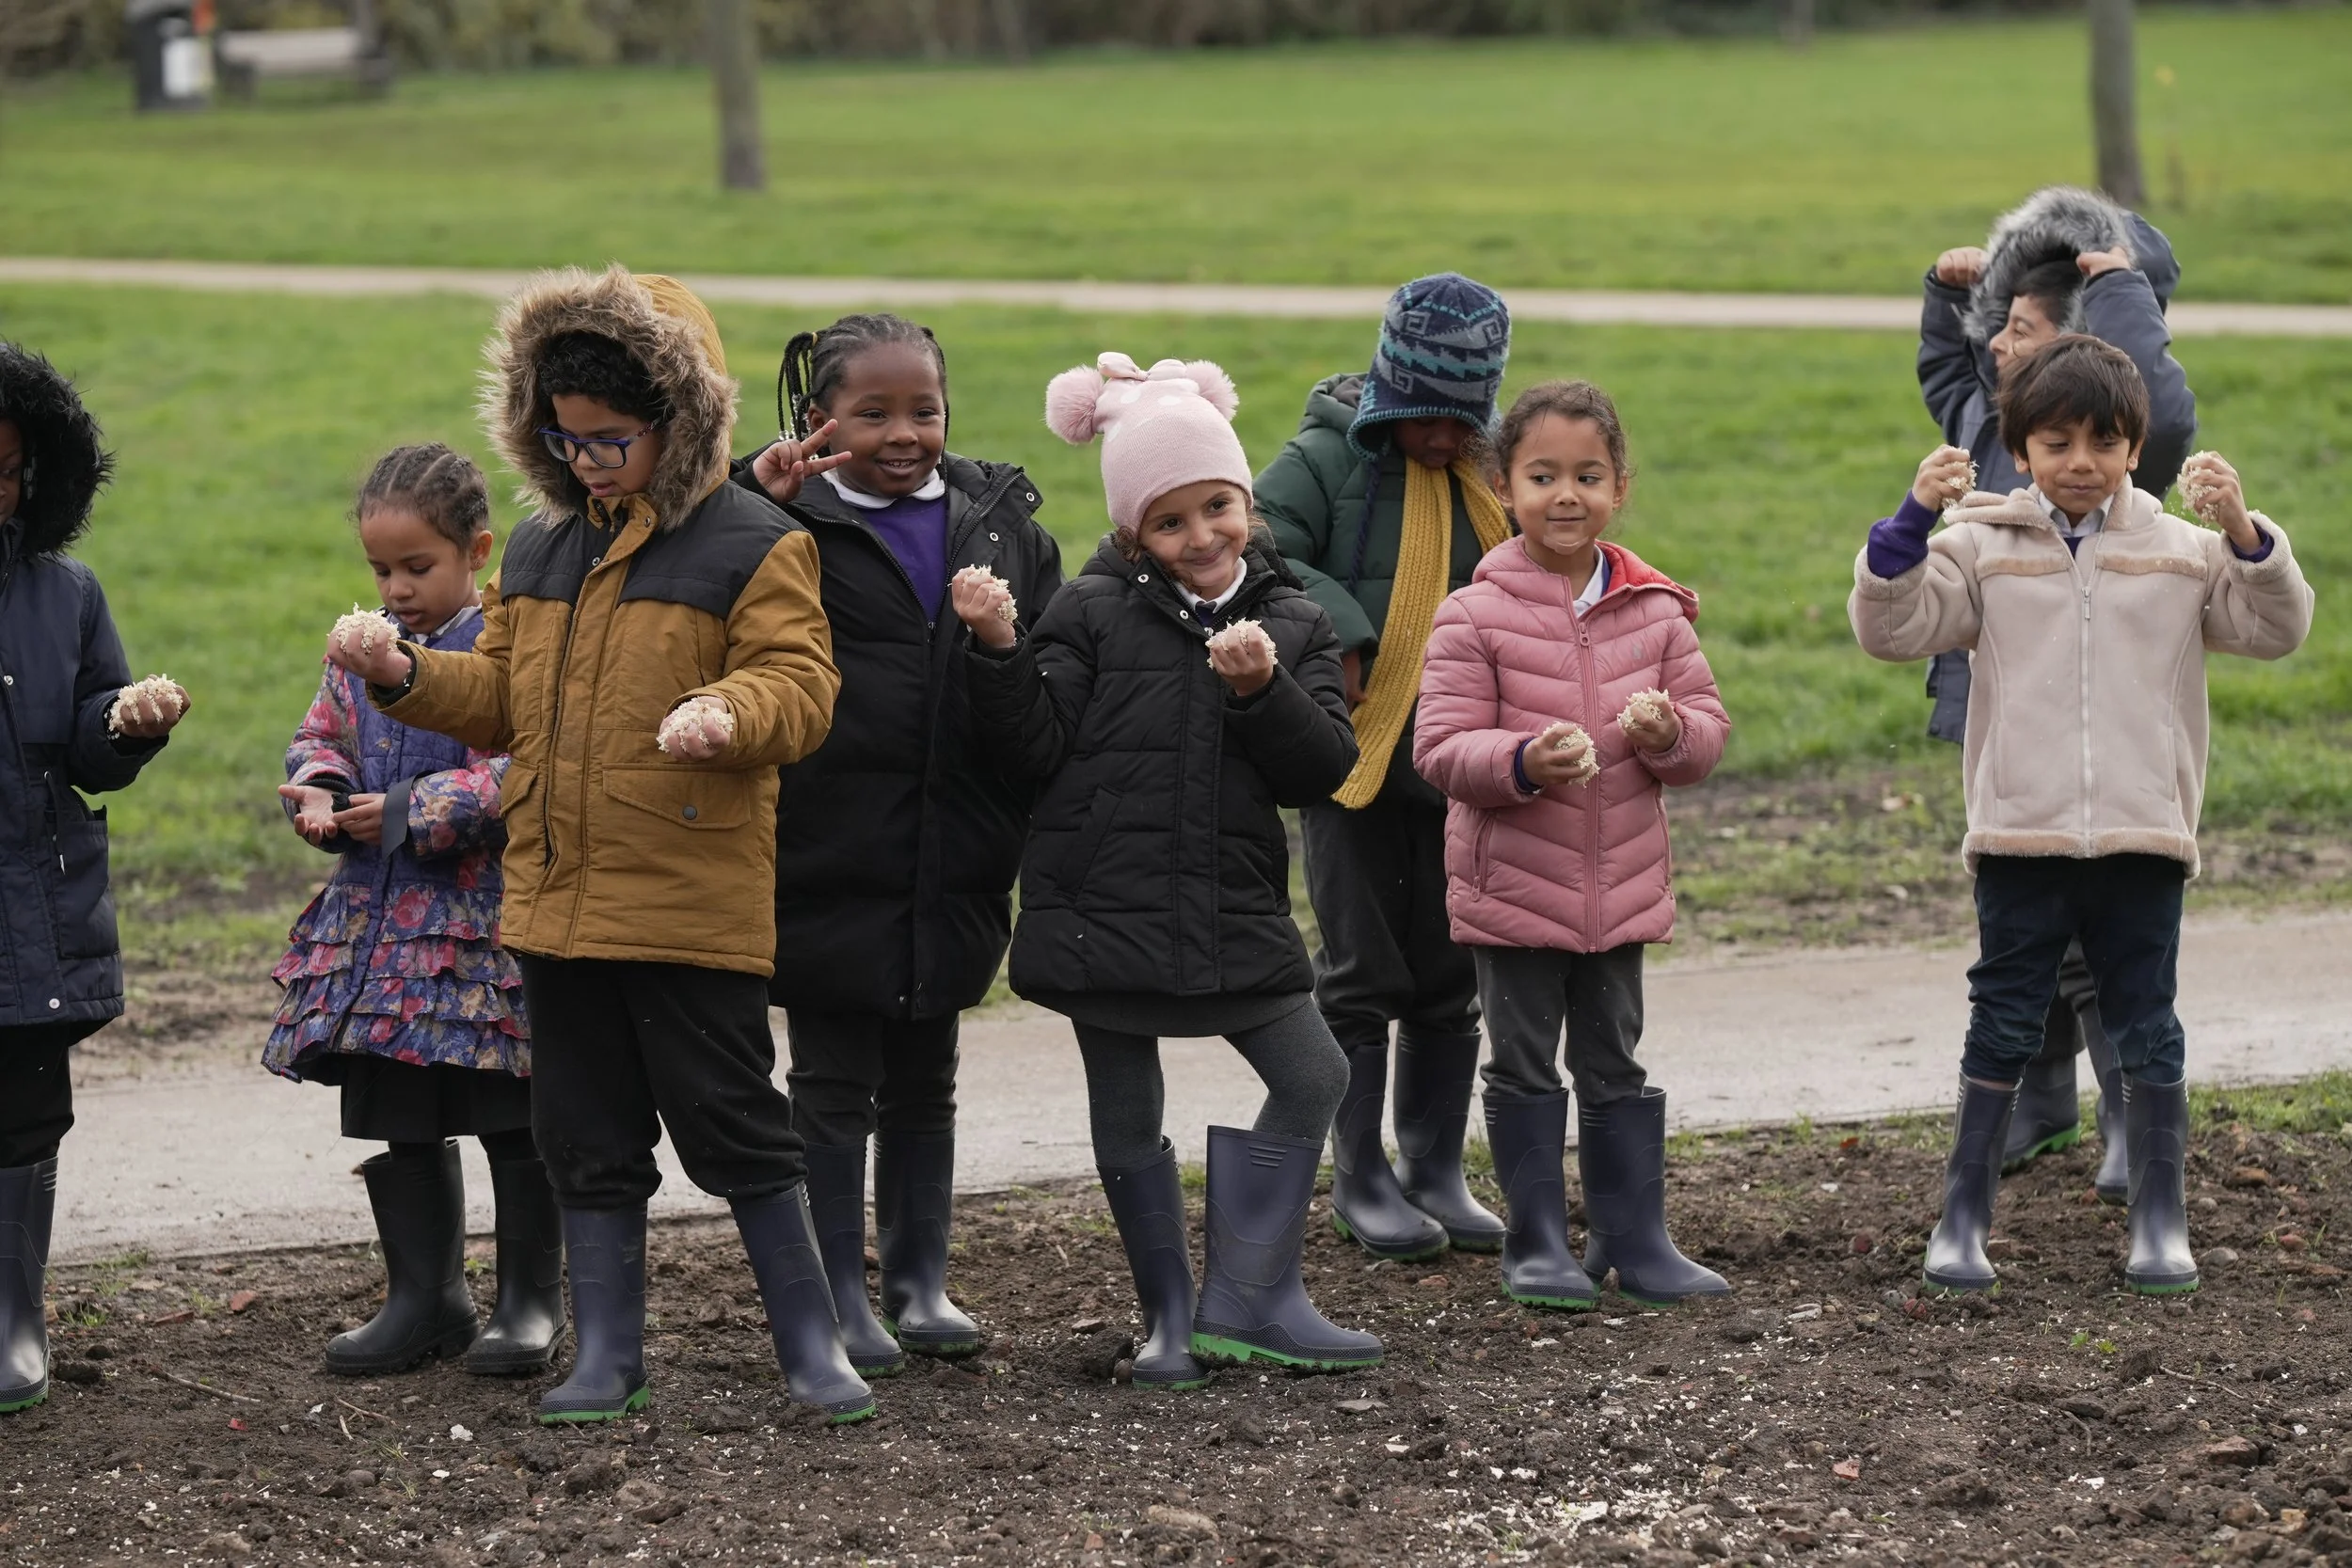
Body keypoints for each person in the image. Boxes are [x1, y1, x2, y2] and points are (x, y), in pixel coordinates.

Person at [326, 266, 872, 1424]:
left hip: (686, 903)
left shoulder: (755, 542)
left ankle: (813, 1347)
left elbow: (801, 683)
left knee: (739, 1129)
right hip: (555, 905)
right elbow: (502, 700)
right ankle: (607, 1356)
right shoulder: (539, 551)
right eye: (565, 440)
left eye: (610, 439)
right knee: (582, 1135)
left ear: (683, 419)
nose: (587, 463)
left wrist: (728, 712)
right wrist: (407, 673)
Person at [1851, 336, 2312, 1298]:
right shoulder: (1978, 548)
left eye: (2102, 442)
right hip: (2019, 837)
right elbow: (1890, 627)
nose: (2079, 463)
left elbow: (2275, 627)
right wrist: (1912, 517)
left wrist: (2242, 530)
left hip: (2144, 836)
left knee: (2146, 1019)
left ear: (2135, 447)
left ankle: (2159, 1216)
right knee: (2003, 1018)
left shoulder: (2182, 553)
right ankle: (1962, 1218)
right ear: (2018, 449)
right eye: (2055, 442)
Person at [954, 352, 1378, 1386]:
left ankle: (1251, 1295)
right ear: (1134, 532)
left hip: (1231, 908)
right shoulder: (1090, 609)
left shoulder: (1295, 620)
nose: (1201, 535)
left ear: (1246, 501)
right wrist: (1001, 647)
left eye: (1217, 506)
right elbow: (1033, 748)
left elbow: (1324, 771)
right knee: (1125, 1110)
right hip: (1100, 908)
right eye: (1170, 520)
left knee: (1315, 1073)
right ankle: (1170, 1321)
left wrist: (1264, 690)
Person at [735, 312, 1063, 1376]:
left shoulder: (1001, 526)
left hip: (956, 848)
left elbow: (1042, 688)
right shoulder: (783, 522)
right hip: (826, 847)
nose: (902, 433)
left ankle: (919, 1278)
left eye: (923, 408)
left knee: (928, 1073)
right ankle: (837, 1288)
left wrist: (1002, 653)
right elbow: (697, 582)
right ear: (817, 419)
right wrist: (752, 491)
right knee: (832, 1080)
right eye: (870, 413)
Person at [1415, 380, 1732, 1311]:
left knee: (1615, 1062)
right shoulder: (1472, 614)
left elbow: (1705, 737)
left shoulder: (1655, 613)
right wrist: (1521, 760)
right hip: (1513, 895)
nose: (1566, 494)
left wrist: (1669, 732)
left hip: (1619, 890)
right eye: (1543, 475)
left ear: (1619, 487)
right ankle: (1538, 1244)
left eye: (1588, 476)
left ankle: (1633, 1239)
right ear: (1503, 487)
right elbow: (1440, 748)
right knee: (1521, 1062)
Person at [1916, 185, 2201, 1187]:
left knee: (2092, 938)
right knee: (2016, 919)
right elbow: (1944, 365)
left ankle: (2128, 1113)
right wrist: (1946, 290)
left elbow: (2163, 405)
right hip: (1995, 706)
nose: (1999, 342)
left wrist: (2119, 283)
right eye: (1996, 326)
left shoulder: (2117, 457)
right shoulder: (1990, 420)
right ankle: (2039, 1099)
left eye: (2023, 330)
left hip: (2101, 719)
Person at [268, 443, 560, 1378]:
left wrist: (408, 811)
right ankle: (426, 1299)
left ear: (477, 550)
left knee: (510, 1112)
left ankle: (529, 1302)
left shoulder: (501, 644)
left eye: (417, 566)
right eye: (380, 569)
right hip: (379, 935)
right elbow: (320, 734)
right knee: (403, 1107)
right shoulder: (355, 651)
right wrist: (321, 791)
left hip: (484, 934)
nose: (396, 588)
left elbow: (522, 766)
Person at [1254, 273, 1516, 1262]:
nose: (1443, 438)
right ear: (1387, 392)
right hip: (1354, 757)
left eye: (1463, 419)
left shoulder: (1487, 471)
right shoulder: (1324, 456)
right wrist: (1345, 629)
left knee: (1451, 969)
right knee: (1360, 967)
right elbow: (1257, 545)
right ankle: (1359, 1174)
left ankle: (1435, 1168)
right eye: (1424, 417)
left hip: (1464, 764)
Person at [0, 343, 190, 1415]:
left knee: (25, 1108)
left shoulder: (65, 593)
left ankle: (11, 1317)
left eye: (5, 471)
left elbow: (86, 743)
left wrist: (125, 724)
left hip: (26, 900)